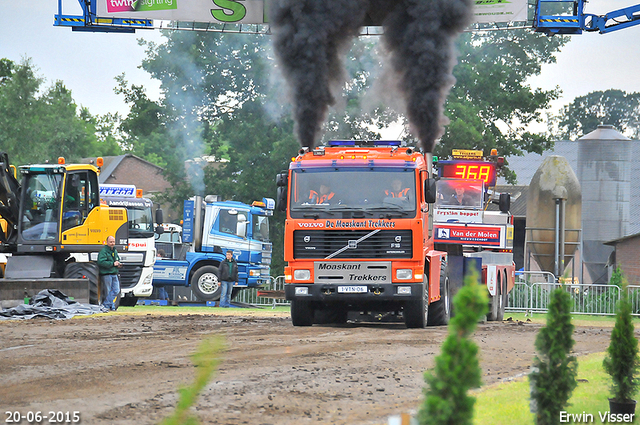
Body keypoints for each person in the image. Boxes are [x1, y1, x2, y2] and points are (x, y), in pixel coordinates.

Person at [97, 235, 122, 311]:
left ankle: (106, 305)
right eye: (110, 242)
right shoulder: (103, 251)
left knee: (116, 290)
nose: (112, 243)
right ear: (107, 242)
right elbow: (101, 262)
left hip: (114, 273)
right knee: (107, 291)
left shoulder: (114, 250)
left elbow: (117, 259)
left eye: (113, 242)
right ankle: (110, 306)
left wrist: (118, 264)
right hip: (106, 274)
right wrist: (112, 264)